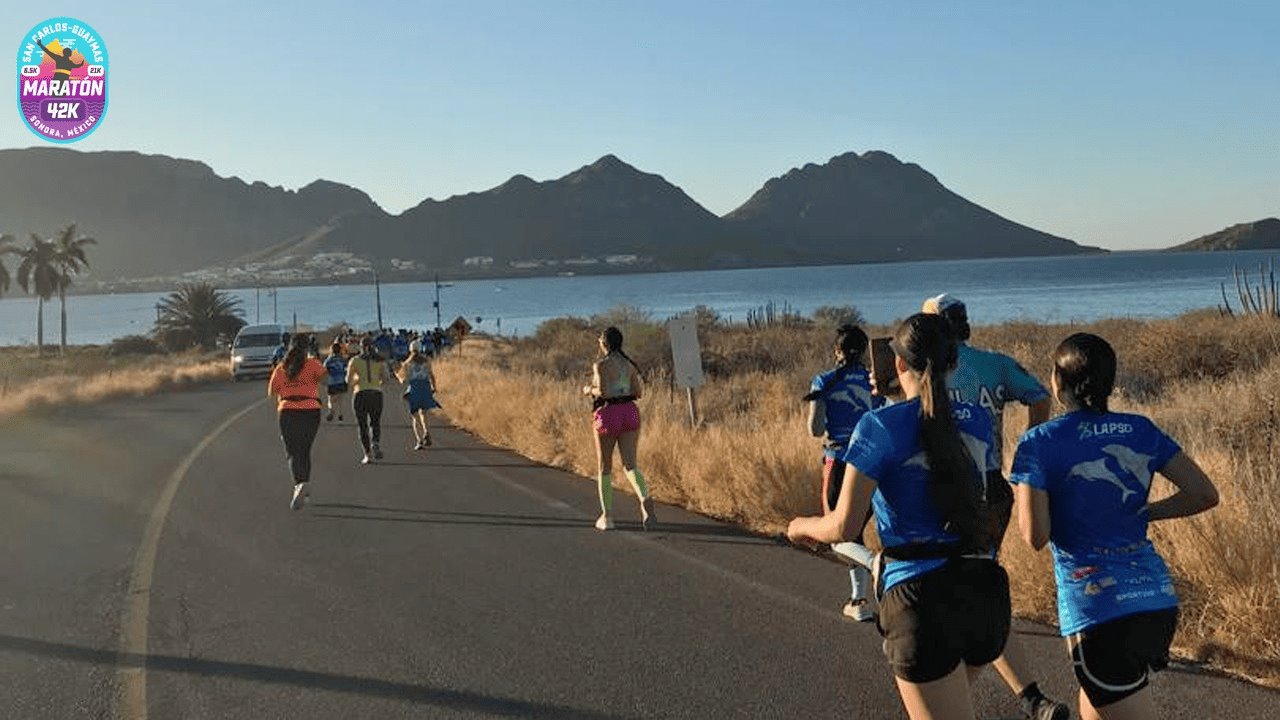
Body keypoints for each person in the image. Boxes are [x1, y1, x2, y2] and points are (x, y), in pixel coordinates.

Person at [788, 313, 1009, 720]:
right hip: (985, 594)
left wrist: (798, 526)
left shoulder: (878, 427)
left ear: (899, 364)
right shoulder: (978, 421)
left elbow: (843, 526)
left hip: (921, 601)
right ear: (955, 363)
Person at [1011, 333, 1218, 720]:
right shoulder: (1140, 429)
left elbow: (1035, 536)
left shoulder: (1039, 442)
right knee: (1099, 699)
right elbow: (1204, 494)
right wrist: (1145, 513)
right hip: (1156, 602)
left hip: (1099, 611)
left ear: (1058, 382)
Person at [921, 293, 1067, 720]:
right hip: (991, 488)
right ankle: (1030, 699)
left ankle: (957, 701)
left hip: (941, 494)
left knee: (957, 598)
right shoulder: (996, 363)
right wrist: (1028, 446)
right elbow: (1040, 395)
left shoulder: (925, 371)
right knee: (978, 589)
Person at [804, 324, 883, 621]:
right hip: (874, 460)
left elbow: (815, 429)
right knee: (860, 528)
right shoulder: (874, 380)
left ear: (837, 351)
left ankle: (875, 567)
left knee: (837, 534)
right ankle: (859, 600)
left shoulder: (824, 381)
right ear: (864, 351)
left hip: (838, 461)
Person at [582, 326, 655, 531]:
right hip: (629, 412)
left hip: (608, 413)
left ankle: (607, 517)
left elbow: (603, 392)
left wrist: (588, 390)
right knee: (630, 465)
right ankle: (644, 497)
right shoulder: (629, 365)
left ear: (604, 343)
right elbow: (638, 391)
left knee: (604, 466)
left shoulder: (601, 365)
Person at [267, 334, 328, 510]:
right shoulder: (313, 364)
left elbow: (272, 392)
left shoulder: (281, 367)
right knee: (305, 450)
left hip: (287, 411)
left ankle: (299, 485)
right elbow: (327, 381)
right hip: (311, 410)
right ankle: (304, 486)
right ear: (307, 347)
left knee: (292, 452)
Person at [345, 336, 393, 464]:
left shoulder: (354, 361)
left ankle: (367, 455)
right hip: (376, 394)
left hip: (360, 394)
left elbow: (348, 381)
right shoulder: (380, 361)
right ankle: (375, 442)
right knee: (375, 422)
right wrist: (377, 382)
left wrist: (357, 381)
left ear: (360, 347)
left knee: (362, 426)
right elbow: (387, 378)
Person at [397, 340, 441, 450]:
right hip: (425, 388)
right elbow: (431, 375)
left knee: (414, 417)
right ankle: (426, 431)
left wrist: (398, 377)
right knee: (424, 414)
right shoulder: (426, 361)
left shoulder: (407, 363)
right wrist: (434, 388)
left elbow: (405, 380)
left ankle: (419, 441)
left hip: (414, 389)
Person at [323, 341, 349, 421]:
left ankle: (331, 410)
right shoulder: (343, 360)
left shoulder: (328, 360)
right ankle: (340, 414)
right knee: (341, 399)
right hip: (342, 381)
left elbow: (324, 371)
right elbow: (347, 370)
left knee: (331, 399)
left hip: (332, 382)